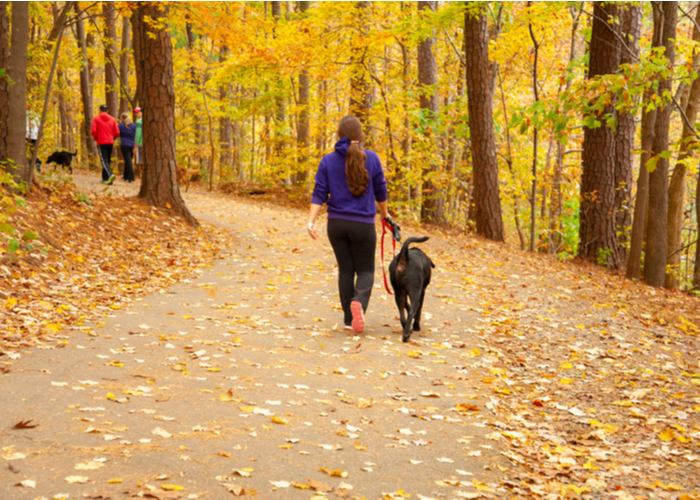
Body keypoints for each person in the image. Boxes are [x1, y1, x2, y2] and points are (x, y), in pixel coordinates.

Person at [307, 115, 389, 334]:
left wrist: (311, 221)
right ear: (361, 135)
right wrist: (385, 214)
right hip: (362, 225)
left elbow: (319, 192)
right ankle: (359, 304)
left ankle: (347, 319)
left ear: (339, 135)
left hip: (336, 224)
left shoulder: (328, 160)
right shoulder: (372, 158)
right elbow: (381, 190)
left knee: (346, 269)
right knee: (365, 270)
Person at [91, 104, 119, 185]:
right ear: (107, 110)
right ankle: (105, 178)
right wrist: (112, 138)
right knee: (107, 160)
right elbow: (117, 132)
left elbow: (93, 131)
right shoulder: (113, 119)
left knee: (104, 160)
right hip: (110, 142)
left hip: (101, 142)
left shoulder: (96, 118)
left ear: (100, 110)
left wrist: (96, 138)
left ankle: (110, 175)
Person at [118, 113, 136, 183]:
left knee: (128, 161)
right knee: (128, 160)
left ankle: (131, 178)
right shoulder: (134, 126)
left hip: (124, 145)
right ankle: (126, 177)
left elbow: (115, 132)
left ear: (122, 118)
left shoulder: (121, 125)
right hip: (132, 145)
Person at [133, 107, 143, 177]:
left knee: (140, 163)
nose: (136, 114)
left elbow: (138, 134)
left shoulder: (139, 121)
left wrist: (135, 147)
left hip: (140, 144)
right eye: (135, 113)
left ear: (141, 112)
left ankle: (143, 176)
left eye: (137, 112)